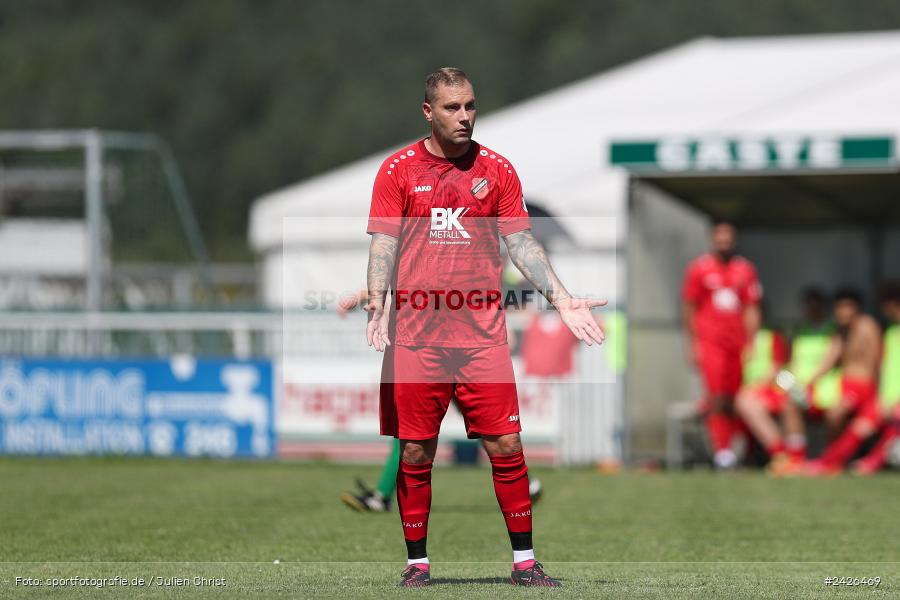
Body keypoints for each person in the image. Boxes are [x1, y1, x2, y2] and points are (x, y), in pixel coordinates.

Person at [365, 67, 605, 587]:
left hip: (480, 338)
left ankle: (525, 563)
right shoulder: (397, 171)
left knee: (507, 446)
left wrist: (562, 301)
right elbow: (383, 243)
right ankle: (416, 565)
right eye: (452, 108)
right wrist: (377, 302)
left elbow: (520, 243)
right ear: (428, 111)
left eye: (470, 106)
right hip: (417, 338)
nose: (465, 116)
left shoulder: (496, 171)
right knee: (414, 450)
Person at [682, 220, 762, 469]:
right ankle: (722, 450)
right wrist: (693, 343)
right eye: (720, 237)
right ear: (712, 238)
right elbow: (689, 308)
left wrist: (752, 341)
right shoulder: (699, 269)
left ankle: (741, 448)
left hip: (737, 343)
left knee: (736, 398)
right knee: (717, 397)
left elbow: (752, 307)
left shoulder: (745, 269)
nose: (724, 242)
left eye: (728, 238)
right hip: (711, 342)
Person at [735, 287, 835, 471]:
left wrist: (788, 385)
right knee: (752, 402)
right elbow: (789, 368)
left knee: (786, 402)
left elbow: (779, 368)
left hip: (821, 388)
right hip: (792, 384)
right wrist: (788, 384)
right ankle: (784, 456)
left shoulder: (831, 331)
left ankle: (794, 457)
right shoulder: (799, 330)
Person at [804, 288, 882, 475]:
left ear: (857, 308)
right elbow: (827, 362)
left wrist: (882, 393)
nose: (842, 312)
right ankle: (830, 460)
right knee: (838, 419)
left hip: (863, 388)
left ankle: (828, 462)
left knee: (838, 415)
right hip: (846, 386)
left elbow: (879, 361)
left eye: (847, 307)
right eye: (838, 307)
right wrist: (808, 383)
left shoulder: (867, 326)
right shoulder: (841, 332)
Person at [852, 281, 900, 474]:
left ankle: (873, 462)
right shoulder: (890, 332)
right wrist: (883, 397)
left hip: (896, 403)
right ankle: (828, 463)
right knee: (860, 427)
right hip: (886, 398)